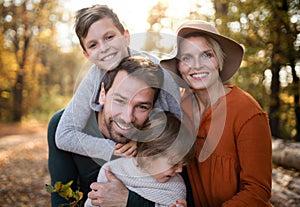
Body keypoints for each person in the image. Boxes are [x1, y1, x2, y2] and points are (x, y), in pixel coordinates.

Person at [47, 4, 182, 206]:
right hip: (100, 178)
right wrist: (113, 148)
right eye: (93, 45)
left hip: (146, 176)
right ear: (86, 55)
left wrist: (142, 141)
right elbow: (64, 134)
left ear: (126, 37)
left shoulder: (156, 71)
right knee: (58, 120)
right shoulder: (94, 76)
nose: (104, 48)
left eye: (109, 37)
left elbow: (175, 125)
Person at [160, 20, 273, 206]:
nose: (196, 65)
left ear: (219, 61)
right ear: (179, 67)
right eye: (187, 58)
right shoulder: (181, 105)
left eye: (206, 55)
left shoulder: (247, 113)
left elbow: (257, 191)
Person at [85, 111, 195, 207]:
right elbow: (95, 201)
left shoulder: (176, 185)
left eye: (182, 164)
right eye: (174, 164)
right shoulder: (112, 170)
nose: (180, 170)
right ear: (148, 156)